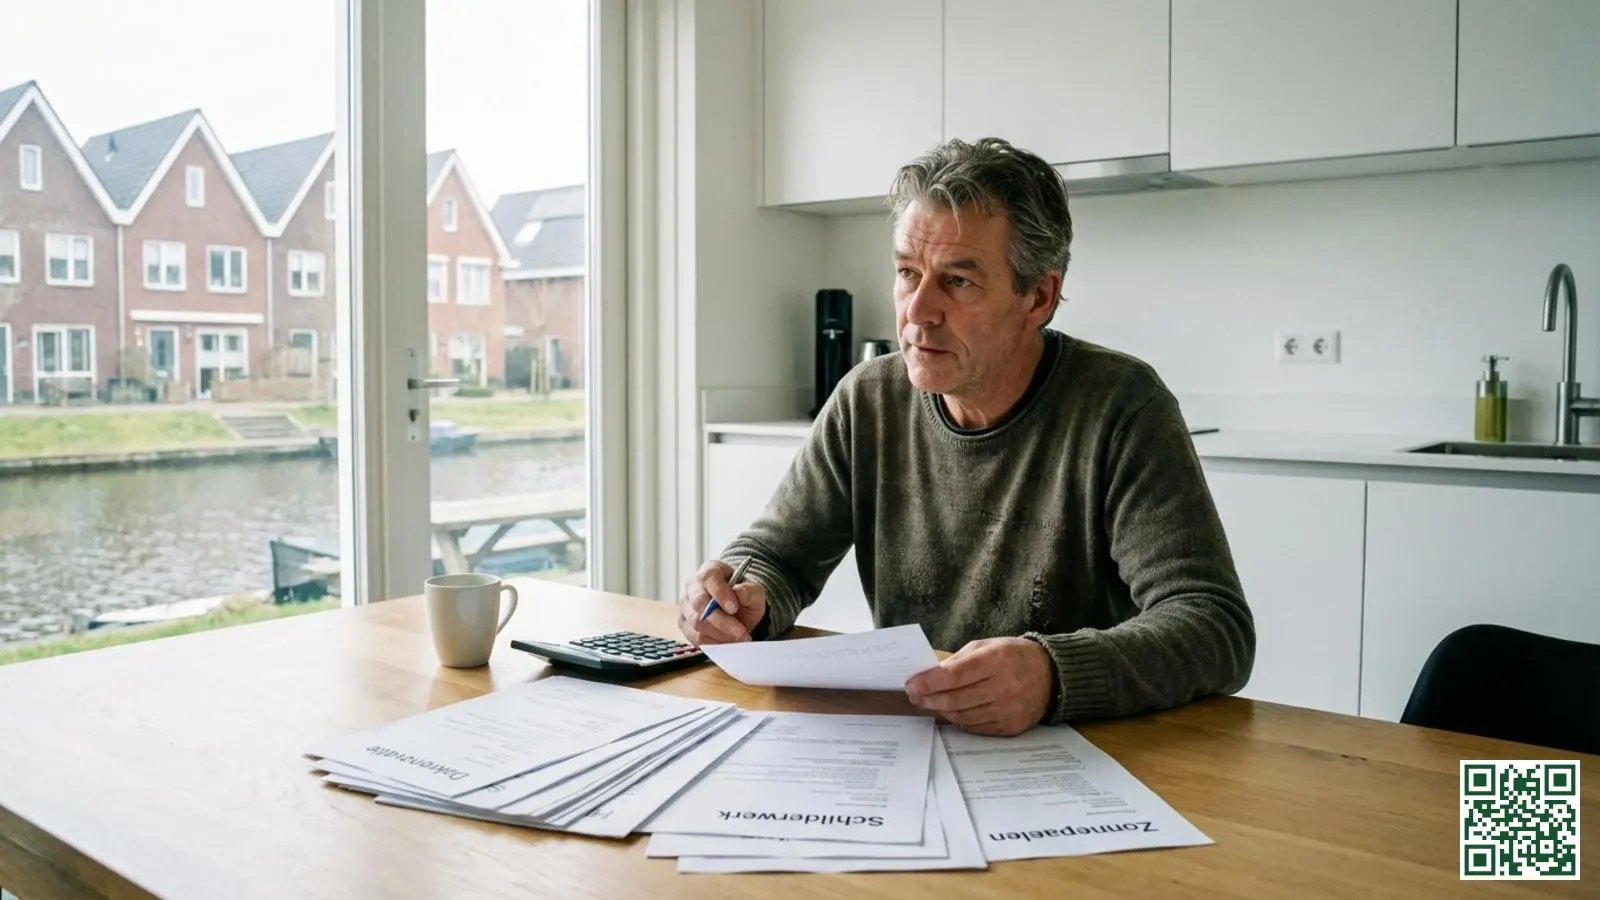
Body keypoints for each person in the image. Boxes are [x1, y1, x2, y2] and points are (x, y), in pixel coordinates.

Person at [677, 137, 1254, 737]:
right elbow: (777, 557)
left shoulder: (1121, 404)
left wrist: (1053, 675)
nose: (918, 310)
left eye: (958, 281)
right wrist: (740, 595)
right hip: (916, 735)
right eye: (907, 273)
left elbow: (1214, 625)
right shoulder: (867, 399)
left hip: (1081, 750)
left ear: (1038, 297)